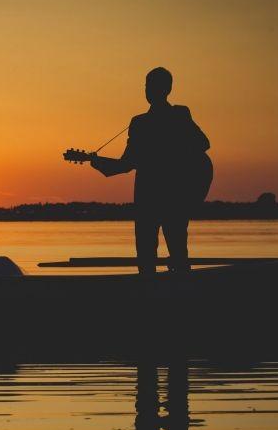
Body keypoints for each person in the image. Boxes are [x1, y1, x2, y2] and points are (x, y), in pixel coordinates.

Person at [89, 67, 212, 275]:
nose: (147, 90)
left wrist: (175, 156)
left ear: (166, 88)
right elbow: (127, 163)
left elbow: (203, 143)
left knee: (176, 252)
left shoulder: (179, 114)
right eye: (146, 85)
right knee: (149, 255)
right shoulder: (139, 122)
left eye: (151, 85)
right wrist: (97, 162)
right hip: (153, 199)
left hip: (169, 196)